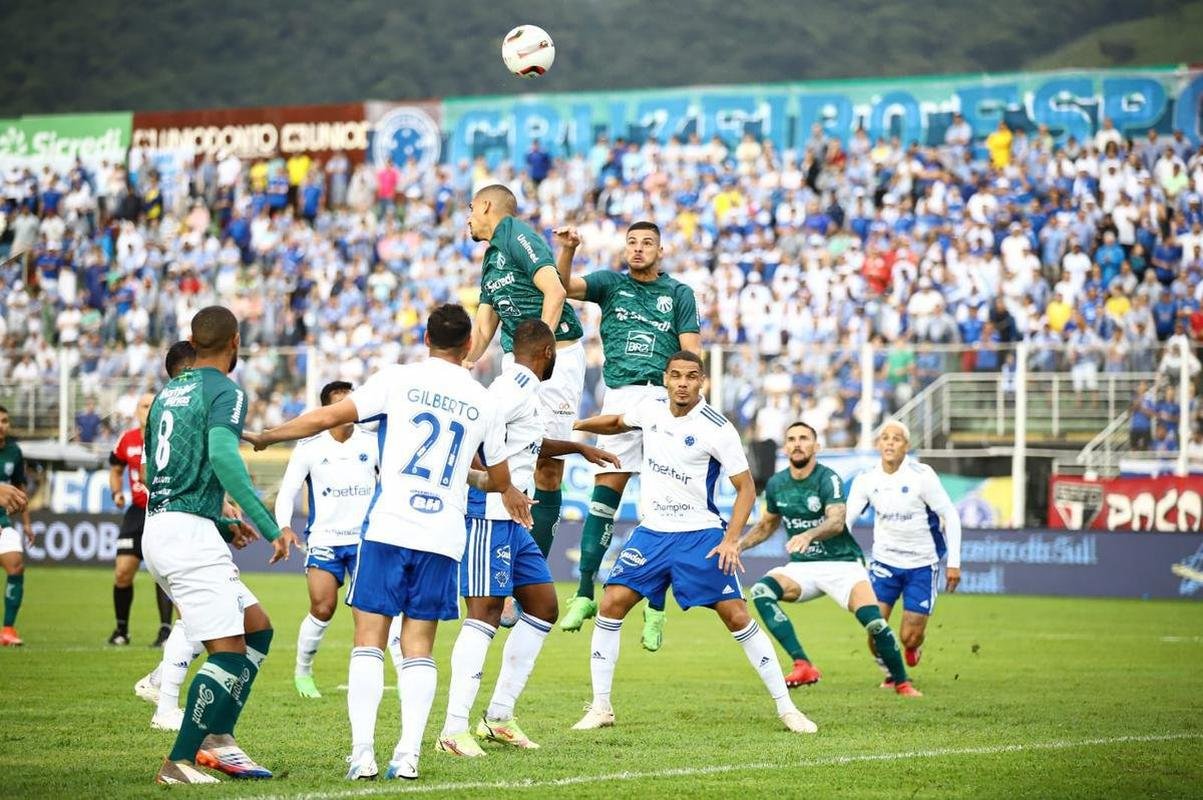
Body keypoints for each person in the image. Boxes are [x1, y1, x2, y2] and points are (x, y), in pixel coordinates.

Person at [248, 304, 533, 782]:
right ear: (469, 346)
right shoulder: (483, 401)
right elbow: (497, 479)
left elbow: (328, 416)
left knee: (369, 640)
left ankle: (363, 754)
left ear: (426, 339)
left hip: (388, 527)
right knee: (418, 645)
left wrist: (269, 436)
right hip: (442, 535)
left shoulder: (398, 379)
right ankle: (408, 756)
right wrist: (491, 485)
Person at [569, 352, 817, 735]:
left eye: (690, 376)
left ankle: (787, 709)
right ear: (665, 379)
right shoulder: (650, 409)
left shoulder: (718, 428)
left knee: (736, 616)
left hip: (700, 535)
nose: (682, 383)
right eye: (676, 376)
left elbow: (746, 489)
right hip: (653, 533)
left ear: (702, 381)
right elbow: (617, 422)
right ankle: (601, 706)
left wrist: (731, 540)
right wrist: (577, 423)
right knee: (611, 603)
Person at [437, 320, 619, 757]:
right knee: (484, 614)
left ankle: (498, 717)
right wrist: (501, 487)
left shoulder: (525, 388)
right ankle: (453, 730)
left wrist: (578, 448)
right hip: (489, 514)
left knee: (542, 607)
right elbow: (470, 439)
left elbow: (529, 444)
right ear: (548, 353)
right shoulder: (510, 389)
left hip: (515, 518)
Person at [141, 307, 298, 784]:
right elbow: (224, 458)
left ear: (193, 342)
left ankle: (219, 739)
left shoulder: (167, 393)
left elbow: (158, 473)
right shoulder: (225, 390)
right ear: (235, 342)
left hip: (165, 526)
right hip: (187, 538)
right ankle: (180, 761)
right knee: (228, 652)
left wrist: (223, 522)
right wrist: (271, 526)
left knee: (257, 628)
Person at [552, 221, 702, 651]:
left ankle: (656, 608)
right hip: (619, 396)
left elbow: (691, 352)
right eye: (632, 242)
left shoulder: (679, 293)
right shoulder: (609, 284)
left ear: (661, 250)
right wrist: (568, 250)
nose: (638, 249)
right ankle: (584, 593)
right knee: (604, 498)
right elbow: (562, 286)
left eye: (647, 243)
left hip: (663, 399)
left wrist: (685, 402)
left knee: (662, 508)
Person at [738, 422, 920, 696]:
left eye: (804, 438)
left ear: (816, 446)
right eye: (791, 439)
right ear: (785, 447)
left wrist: (809, 535)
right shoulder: (777, 483)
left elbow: (836, 522)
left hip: (843, 564)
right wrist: (738, 546)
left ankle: (902, 682)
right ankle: (803, 664)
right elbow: (767, 525)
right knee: (762, 591)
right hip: (803, 567)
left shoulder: (828, 478)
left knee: (874, 623)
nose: (797, 444)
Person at [463, 184, 584, 569]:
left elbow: (555, 291)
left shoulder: (517, 235)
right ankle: (507, 564)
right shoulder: (491, 257)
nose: (468, 217)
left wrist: (542, 349)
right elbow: (484, 328)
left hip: (553, 357)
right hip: (518, 364)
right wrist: (461, 363)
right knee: (512, 459)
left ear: (486, 205)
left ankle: (531, 574)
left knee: (547, 467)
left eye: (471, 208)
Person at [273, 380, 379, 699]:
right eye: (339, 403)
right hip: (324, 539)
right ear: (326, 410)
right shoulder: (309, 447)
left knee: (371, 613)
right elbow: (287, 492)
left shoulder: (373, 443)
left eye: (351, 402)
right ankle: (302, 671)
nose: (347, 409)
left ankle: (401, 676)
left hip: (365, 540)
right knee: (323, 607)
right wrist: (284, 526)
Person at [846, 420, 962, 681]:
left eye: (896, 438)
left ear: (906, 446)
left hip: (922, 564)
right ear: (878, 444)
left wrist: (953, 562)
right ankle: (892, 674)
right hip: (884, 563)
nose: (890, 442)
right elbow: (846, 519)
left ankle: (912, 646)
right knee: (875, 627)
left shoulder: (922, 476)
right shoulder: (866, 479)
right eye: (885, 438)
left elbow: (950, 515)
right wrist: (844, 554)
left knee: (909, 635)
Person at [107, 391, 176, 647]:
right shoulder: (127, 439)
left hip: (163, 510)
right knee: (122, 572)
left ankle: (166, 631)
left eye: (152, 405)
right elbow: (116, 469)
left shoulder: (169, 436)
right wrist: (116, 493)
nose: (148, 410)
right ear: (136, 411)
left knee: (163, 573)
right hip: (137, 512)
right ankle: (121, 631)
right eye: (144, 406)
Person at [0, 406, 32, 646]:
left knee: (16, 566)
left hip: (4, 521)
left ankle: (8, 630)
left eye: (4, 421)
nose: (1, 425)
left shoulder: (14, 452)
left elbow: (19, 490)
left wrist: (27, 523)